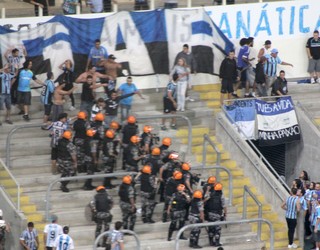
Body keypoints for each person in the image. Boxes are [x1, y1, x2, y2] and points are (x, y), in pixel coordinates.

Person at [204, 182, 226, 247]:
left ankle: (211, 242)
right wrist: (225, 214)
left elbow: (205, 198)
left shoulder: (210, 194)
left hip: (210, 213)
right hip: (217, 214)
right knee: (217, 229)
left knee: (211, 228)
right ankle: (217, 242)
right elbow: (224, 206)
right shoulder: (221, 196)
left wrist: (207, 190)